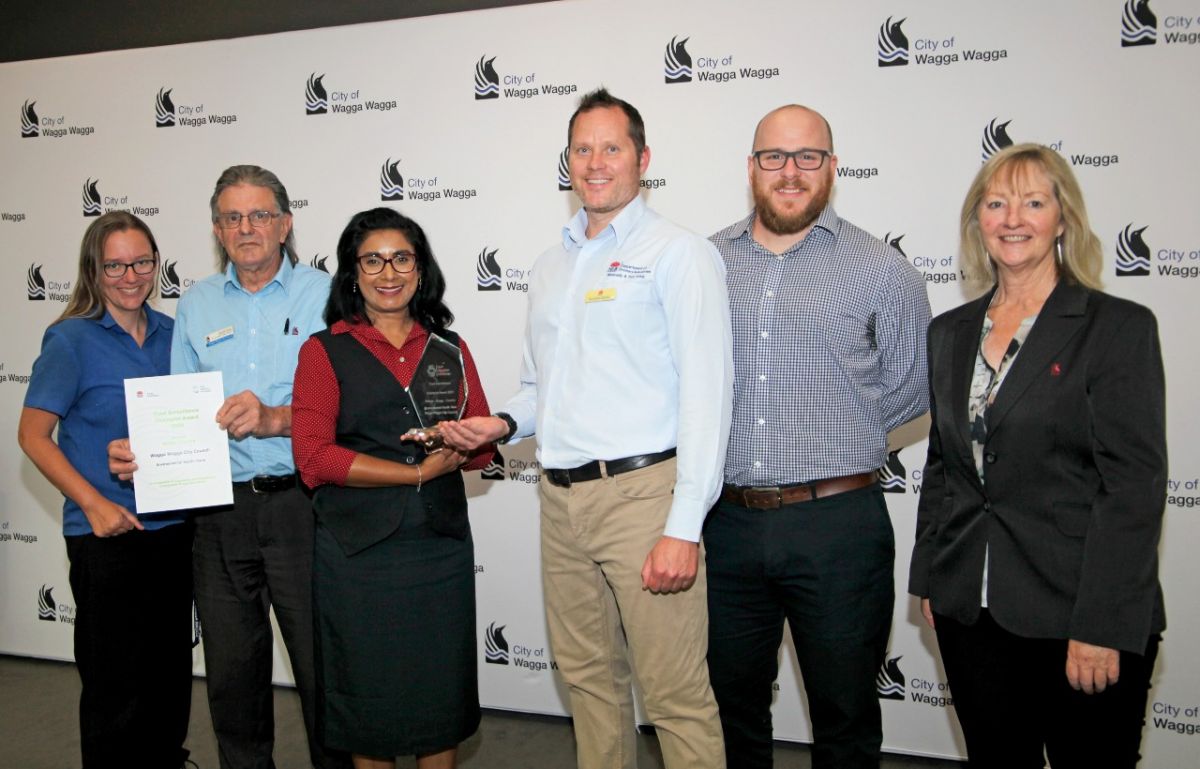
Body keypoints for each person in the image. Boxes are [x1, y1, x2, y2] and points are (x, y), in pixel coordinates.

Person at [438, 88, 732, 769]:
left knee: (677, 698)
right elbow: (546, 387)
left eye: (611, 147)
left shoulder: (678, 253)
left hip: (644, 500)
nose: (595, 162)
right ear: (566, 161)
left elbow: (708, 396)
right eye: (582, 148)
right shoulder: (550, 265)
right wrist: (505, 421)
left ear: (643, 158)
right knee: (590, 687)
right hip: (561, 500)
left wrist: (683, 526)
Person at [909, 143, 1166, 769]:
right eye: (995, 203)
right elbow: (944, 465)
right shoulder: (950, 332)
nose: (1012, 218)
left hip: (1078, 610)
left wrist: (1101, 625)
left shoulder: (1116, 327)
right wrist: (932, 582)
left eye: (1032, 201)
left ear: (1063, 219)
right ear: (978, 222)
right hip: (972, 610)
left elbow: (1131, 487)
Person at [705, 105, 931, 769]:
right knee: (729, 710)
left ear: (833, 168)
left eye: (808, 157)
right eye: (774, 156)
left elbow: (911, 385)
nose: (791, 171)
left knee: (845, 714)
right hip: (725, 525)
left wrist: (844, 428)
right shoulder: (704, 263)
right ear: (751, 168)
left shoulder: (882, 268)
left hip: (839, 526)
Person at [110, 165, 347, 769]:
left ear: (285, 224)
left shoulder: (326, 295)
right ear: (217, 229)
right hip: (220, 513)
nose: (247, 228)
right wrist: (149, 456)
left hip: (305, 505)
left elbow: (351, 406)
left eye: (260, 215)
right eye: (233, 218)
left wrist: (276, 419)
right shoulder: (196, 304)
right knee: (232, 676)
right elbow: (179, 412)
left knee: (326, 669)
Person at [291, 208, 494, 769]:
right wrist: (414, 472)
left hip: (439, 549)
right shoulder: (323, 350)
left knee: (439, 700)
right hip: (359, 557)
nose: (388, 272)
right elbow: (313, 458)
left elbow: (481, 444)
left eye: (402, 258)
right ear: (352, 273)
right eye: (372, 259)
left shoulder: (449, 347)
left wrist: (460, 443)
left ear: (421, 270)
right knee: (369, 707)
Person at [19, 212, 193, 768]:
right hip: (105, 536)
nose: (129, 275)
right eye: (114, 264)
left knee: (168, 678)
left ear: (156, 265)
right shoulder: (70, 339)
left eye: (141, 262)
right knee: (114, 686)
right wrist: (93, 503)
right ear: (93, 270)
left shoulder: (175, 333)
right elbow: (33, 435)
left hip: (172, 531)